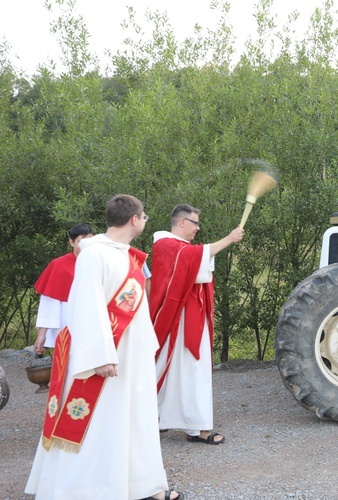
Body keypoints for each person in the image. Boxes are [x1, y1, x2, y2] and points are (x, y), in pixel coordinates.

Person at [25, 195, 182, 500]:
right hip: (106, 357)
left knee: (134, 420)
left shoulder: (128, 255)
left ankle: (144, 486)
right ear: (134, 219)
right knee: (100, 424)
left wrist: (147, 345)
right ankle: (87, 491)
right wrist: (100, 356)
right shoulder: (94, 254)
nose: (146, 220)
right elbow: (87, 307)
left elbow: (136, 309)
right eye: (144, 216)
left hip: (132, 356)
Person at [150, 204, 244, 444]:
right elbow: (194, 258)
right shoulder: (166, 245)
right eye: (195, 223)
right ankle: (195, 428)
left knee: (181, 371)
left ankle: (168, 421)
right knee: (187, 370)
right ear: (182, 222)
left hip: (186, 319)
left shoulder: (180, 248)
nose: (198, 228)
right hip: (177, 322)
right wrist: (230, 239)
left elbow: (197, 266)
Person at [32, 223, 94, 355]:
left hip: (93, 322)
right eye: (81, 241)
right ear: (71, 242)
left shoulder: (100, 263)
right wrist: (42, 334)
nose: (86, 245)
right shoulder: (59, 265)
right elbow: (49, 301)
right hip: (67, 323)